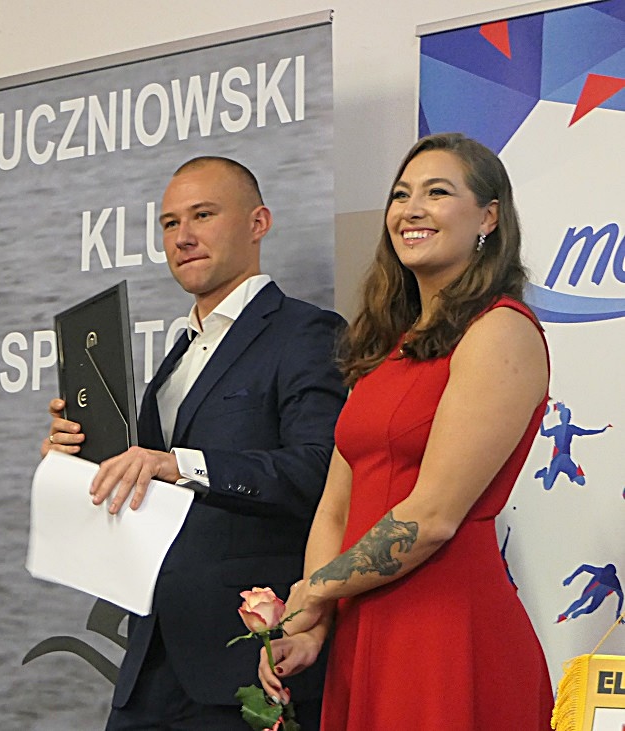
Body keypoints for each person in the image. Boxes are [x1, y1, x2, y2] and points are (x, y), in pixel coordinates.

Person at [257, 133, 554, 728]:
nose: (411, 210)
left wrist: (315, 591)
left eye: (437, 193)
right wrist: (313, 625)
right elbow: (335, 507)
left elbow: (433, 516)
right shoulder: (384, 349)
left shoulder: (501, 331)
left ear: (488, 217)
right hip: (364, 626)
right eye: (400, 195)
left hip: (446, 631)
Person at [44, 156, 346, 729]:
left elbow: (318, 471)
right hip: (151, 657)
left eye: (203, 215)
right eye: (169, 223)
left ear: (258, 223)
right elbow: (146, 486)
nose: (182, 236)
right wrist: (77, 463)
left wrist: (179, 465)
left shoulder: (306, 332)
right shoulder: (178, 355)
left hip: (251, 660)